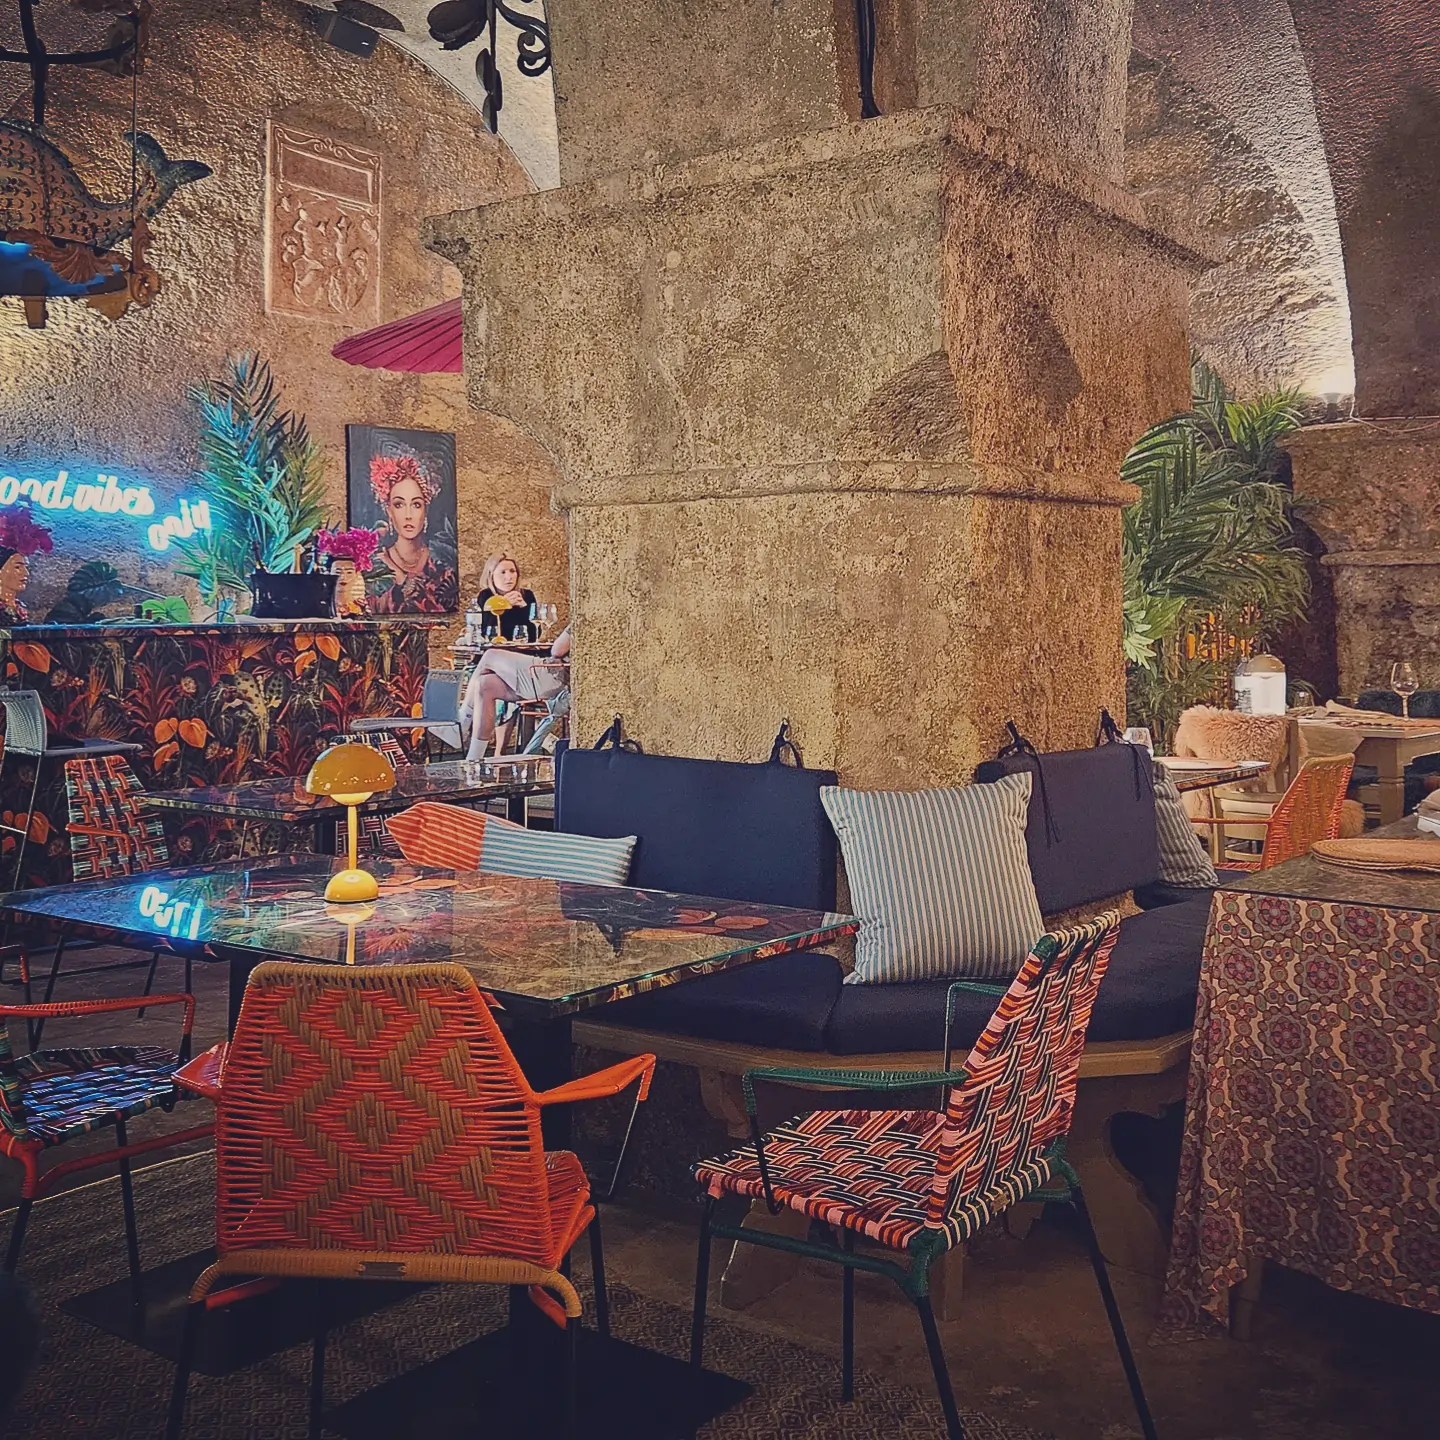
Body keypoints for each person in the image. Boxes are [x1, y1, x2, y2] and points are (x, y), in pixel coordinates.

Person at [461, 625, 570, 760]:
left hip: (550, 676)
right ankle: (473, 759)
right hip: (553, 680)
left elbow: (557, 650)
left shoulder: (580, 621)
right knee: (485, 685)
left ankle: (462, 722)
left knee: (490, 655)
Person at [369, 454, 458, 614]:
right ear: (388, 510)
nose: (408, 514)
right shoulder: (376, 564)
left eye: (416, 504)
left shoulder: (442, 565)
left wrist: (400, 577)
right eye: (399, 504)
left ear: (426, 510)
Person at [474, 553, 537, 639]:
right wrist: (503, 605)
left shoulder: (527, 595)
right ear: (491, 576)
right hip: (495, 650)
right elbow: (487, 632)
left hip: (523, 649)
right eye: (502, 572)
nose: (509, 577)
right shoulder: (486, 596)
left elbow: (534, 636)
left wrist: (524, 608)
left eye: (512, 571)